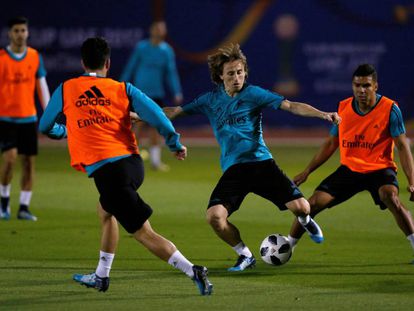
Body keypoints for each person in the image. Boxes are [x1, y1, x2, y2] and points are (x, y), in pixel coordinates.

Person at [39, 37, 213, 295]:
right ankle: (101, 276)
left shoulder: (67, 88)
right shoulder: (123, 88)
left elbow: (44, 126)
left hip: (110, 173)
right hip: (132, 164)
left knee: (143, 233)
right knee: (105, 210)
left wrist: (66, 131)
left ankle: (193, 269)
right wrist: (174, 143)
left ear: (82, 62)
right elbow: (154, 113)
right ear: (107, 63)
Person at [164, 43, 341, 271]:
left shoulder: (254, 94)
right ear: (220, 76)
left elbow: (291, 106)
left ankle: (306, 221)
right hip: (235, 170)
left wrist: (322, 114)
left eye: (240, 72)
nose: (237, 77)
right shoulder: (209, 100)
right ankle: (245, 255)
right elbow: (175, 111)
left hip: (261, 164)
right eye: (231, 73)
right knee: (214, 218)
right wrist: (141, 114)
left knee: (302, 208)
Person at [287, 64, 414, 262]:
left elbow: (403, 147)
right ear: (352, 86)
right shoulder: (343, 108)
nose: (361, 90)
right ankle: (288, 246)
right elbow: (331, 144)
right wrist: (307, 171)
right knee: (310, 205)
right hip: (349, 171)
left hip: (380, 169)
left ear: (375, 86)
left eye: (366, 85)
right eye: (357, 85)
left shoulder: (390, 109)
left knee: (390, 196)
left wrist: (411, 181)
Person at [0, 16, 50, 221]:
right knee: (10, 160)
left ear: (28, 33)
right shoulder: (2, 58)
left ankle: (24, 206)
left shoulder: (34, 56)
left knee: (29, 163)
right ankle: (3, 204)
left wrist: (48, 113)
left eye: (23, 30)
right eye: (16, 31)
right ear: (9, 34)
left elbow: (42, 86)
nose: (20, 34)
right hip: (6, 118)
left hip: (28, 118)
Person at [120, 20, 183, 171]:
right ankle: (129, 159)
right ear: (151, 30)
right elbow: (131, 66)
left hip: (157, 94)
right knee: (137, 125)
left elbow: (171, 72)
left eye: (162, 29)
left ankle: (155, 161)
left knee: (156, 126)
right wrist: (120, 85)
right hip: (140, 93)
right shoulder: (141, 47)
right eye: (157, 28)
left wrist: (176, 91)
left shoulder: (167, 50)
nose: (159, 31)